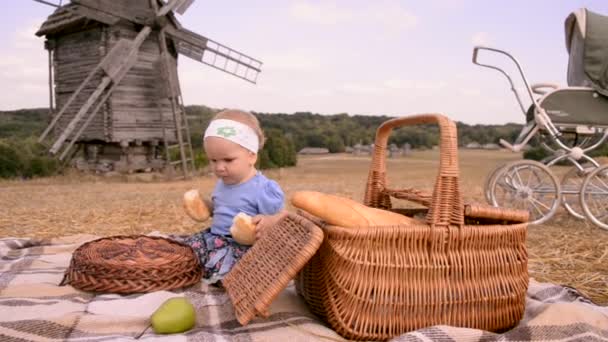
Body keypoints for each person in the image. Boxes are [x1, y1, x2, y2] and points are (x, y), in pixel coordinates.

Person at [185, 109, 287, 284]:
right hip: (215, 238)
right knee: (186, 248)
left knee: (225, 265)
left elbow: (285, 217)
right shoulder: (224, 182)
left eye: (228, 160)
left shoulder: (263, 189)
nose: (219, 167)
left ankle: (224, 279)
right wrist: (205, 206)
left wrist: (270, 222)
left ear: (251, 156)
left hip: (241, 248)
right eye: (213, 160)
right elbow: (220, 208)